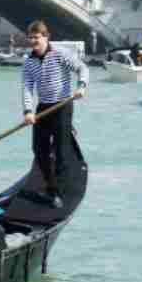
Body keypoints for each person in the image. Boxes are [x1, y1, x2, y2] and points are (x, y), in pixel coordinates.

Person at [20, 20, 89, 210]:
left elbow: (82, 68)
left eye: (37, 37)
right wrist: (28, 111)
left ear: (46, 37)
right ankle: (51, 188)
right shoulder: (28, 61)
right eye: (31, 37)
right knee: (38, 149)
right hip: (43, 107)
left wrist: (81, 86)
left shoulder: (60, 55)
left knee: (60, 150)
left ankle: (60, 190)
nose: (34, 40)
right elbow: (27, 88)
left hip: (63, 105)